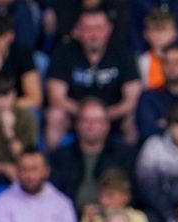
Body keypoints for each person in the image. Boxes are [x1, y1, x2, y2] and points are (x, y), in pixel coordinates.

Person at [45, 8, 140, 149]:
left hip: (112, 115)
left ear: (109, 29)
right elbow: (56, 98)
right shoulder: (62, 52)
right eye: (88, 29)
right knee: (55, 116)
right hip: (75, 115)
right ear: (77, 30)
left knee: (132, 119)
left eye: (99, 28)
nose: (94, 35)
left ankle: (128, 167)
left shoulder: (124, 53)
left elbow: (131, 100)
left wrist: (102, 116)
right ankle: (53, 167)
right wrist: (88, 116)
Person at [48, 99, 137, 212]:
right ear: (77, 124)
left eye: (97, 121)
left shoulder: (124, 155)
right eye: (86, 120)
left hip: (112, 216)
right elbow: (54, 194)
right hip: (69, 216)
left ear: (106, 125)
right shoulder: (60, 156)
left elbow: (131, 194)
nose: (91, 126)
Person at [79, 168, 151, 222]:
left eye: (110, 195)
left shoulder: (137, 217)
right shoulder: (92, 217)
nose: (103, 201)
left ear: (126, 197)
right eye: (101, 195)